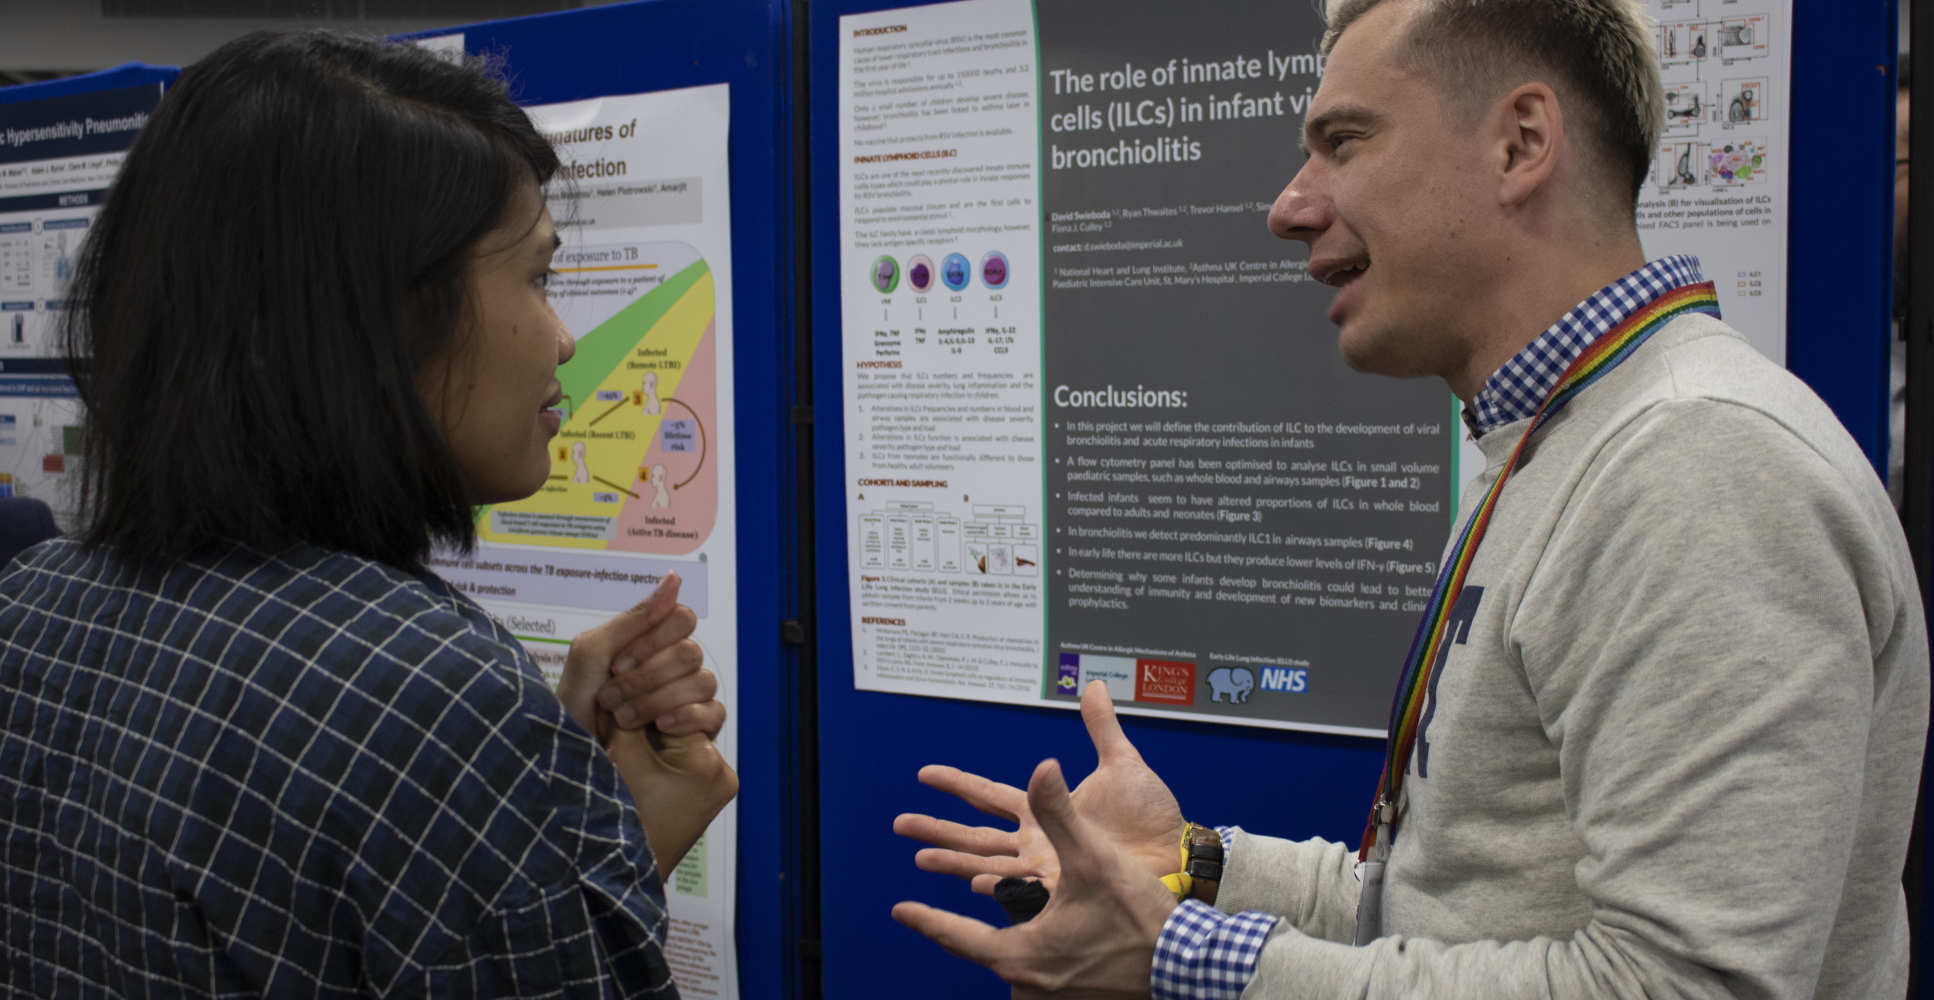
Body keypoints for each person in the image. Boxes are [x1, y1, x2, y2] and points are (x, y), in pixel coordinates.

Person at [893, 0, 1930, 996]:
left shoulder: (1699, 463)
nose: (1289, 208)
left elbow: (1685, 985)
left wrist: (1182, 956)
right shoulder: (1555, 443)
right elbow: (1450, 910)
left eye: (1344, 141)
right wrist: (1194, 864)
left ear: (1520, 143)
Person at [0, 30, 735, 995]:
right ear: (381, 320)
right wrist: (602, 831)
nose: (563, 341)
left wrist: (530, 795)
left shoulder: (30, 604)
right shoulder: (436, 703)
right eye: (536, 277)